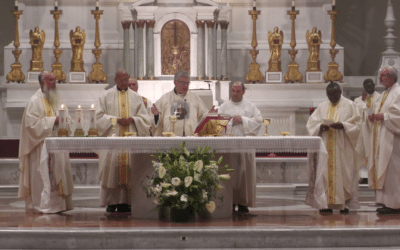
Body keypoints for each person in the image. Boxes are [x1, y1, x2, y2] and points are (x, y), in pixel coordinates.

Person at [18, 71, 74, 213]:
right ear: (43, 82)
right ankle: (42, 205)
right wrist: (52, 121)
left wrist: (66, 123)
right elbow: (31, 126)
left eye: (55, 80)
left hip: (57, 146)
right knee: (42, 178)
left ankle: (58, 205)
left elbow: (67, 119)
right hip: (40, 148)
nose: (55, 83)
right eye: (51, 81)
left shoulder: (56, 100)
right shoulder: (34, 101)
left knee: (57, 175)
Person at [96, 70, 151, 213]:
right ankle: (111, 202)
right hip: (113, 140)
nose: (124, 82)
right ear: (115, 79)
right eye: (121, 79)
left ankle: (128, 202)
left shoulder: (136, 97)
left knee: (130, 168)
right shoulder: (105, 96)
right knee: (112, 170)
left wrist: (133, 119)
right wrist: (115, 120)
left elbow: (145, 119)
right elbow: (99, 116)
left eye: (126, 79)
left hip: (130, 139)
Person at [306, 82, 361, 213]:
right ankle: (326, 204)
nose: (331, 97)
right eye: (329, 95)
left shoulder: (350, 105)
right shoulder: (322, 106)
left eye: (334, 94)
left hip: (343, 147)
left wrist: (344, 126)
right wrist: (320, 127)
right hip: (326, 146)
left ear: (340, 92)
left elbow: (358, 124)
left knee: (345, 174)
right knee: (325, 174)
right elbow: (312, 123)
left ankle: (344, 205)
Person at [218, 82, 264, 213]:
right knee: (230, 172)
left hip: (245, 146)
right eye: (233, 91)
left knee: (245, 173)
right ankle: (230, 202)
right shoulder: (224, 107)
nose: (235, 94)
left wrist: (243, 120)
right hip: (228, 147)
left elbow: (259, 120)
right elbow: (217, 122)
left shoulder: (251, 106)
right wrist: (232, 121)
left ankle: (244, 203)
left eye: (238, 91)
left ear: (243, 92)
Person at [367, 67, 400, 214]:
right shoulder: (385, 94)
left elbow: (397, 116)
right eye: (380, 75)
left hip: (394, 140)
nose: (380, 78)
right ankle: (387, 202)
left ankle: (395, 204)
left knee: (393, 171)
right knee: (385, 170)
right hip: (383, 137)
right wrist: (372, 116)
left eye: (383, 76)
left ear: (392, 77)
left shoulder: (398, 93)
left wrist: (384, 117)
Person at [151, 70, 209, 136]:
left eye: (188, 83)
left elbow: (203, 116)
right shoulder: (165, 99)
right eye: (183, 83)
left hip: (191, 139)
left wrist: (210, 115)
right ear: (175, 82)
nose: (186, 86)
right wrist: (156, 116)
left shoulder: (195, 98)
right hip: (170, 141)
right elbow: (154, 121)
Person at [354, 79, 381, 184]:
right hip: (362, 131)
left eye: (370, 85)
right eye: (366, 86)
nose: (369, 88)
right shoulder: (358, 100)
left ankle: (375, 175)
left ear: (374, 85)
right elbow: (356, 113)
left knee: (374, 153)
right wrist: (363, 101)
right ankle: (364, 177)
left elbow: (377, 112)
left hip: (374, 130)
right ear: (364, 87)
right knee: (361, 152)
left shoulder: (379, 98)